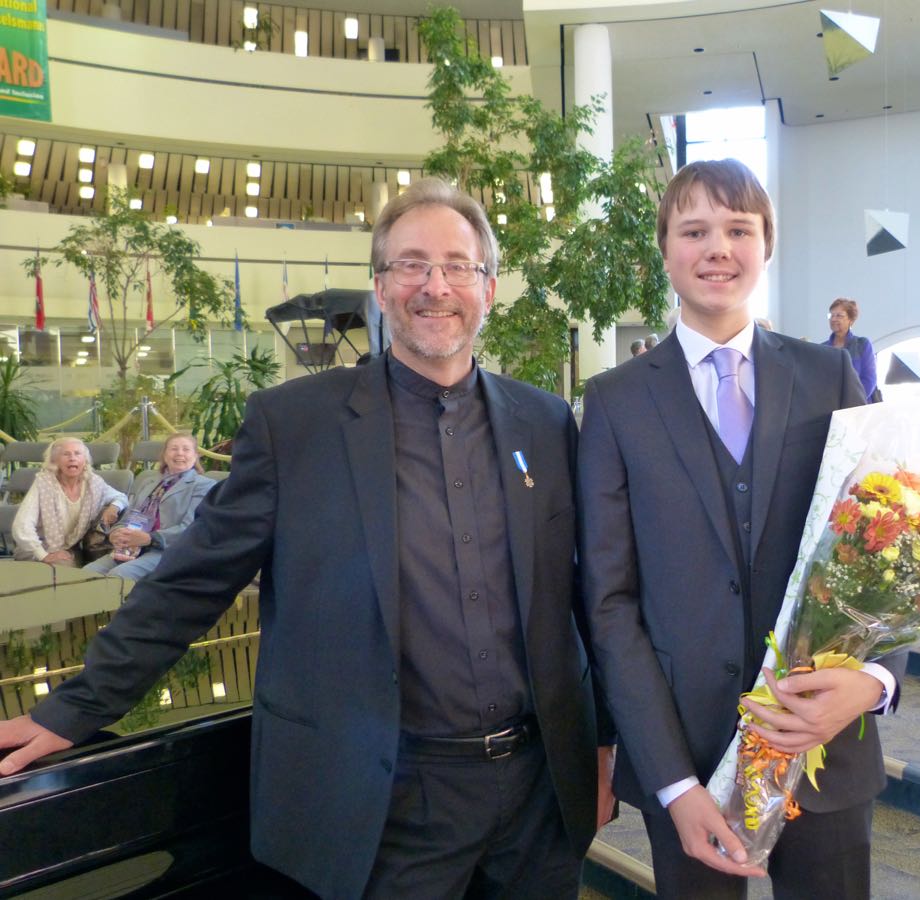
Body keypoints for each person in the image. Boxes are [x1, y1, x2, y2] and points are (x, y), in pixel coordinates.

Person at [0, 179, 609, 900]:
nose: (434, 286)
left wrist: (600, 747)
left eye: (456, 266)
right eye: (411, 265)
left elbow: (581, 595)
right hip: (387, 806)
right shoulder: (295, 426)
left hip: (538, 799)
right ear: (381, 287)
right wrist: (75, 706)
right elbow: (192, 583)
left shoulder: (543, 423)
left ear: (490, 285)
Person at [578, 159, 902, 900]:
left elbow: (894, 546)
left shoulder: (829, 377)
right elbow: (608, 601)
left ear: (766, 245)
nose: (716, 247)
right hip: (685, 756)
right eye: (694, 230)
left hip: (823, 740)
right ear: (665, 249)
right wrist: (669, 779)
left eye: (737, 229)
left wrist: (876, 681)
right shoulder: (616, 402)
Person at [82, 433, 216, 581]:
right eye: (174, 449)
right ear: (164, 455)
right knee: (86, 574)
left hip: (169, 550)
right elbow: (128, 517)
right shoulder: (149, 482)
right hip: (132, 547)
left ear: (195, 455)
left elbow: (192, 528)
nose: (179, 453)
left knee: (119, 577)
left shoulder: (204, 485)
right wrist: (116, 532)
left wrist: (150, 538)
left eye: (186, 449)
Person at [11, 437, 126, 566]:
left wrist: (114, 507)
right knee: (64, 569)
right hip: (35, 548)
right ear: (55, 460)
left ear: (85, 460)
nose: (72, 458)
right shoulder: (44, 483)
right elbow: (21, 525)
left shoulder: (94, 483)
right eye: (66, 454)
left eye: (77, 453)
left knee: (94, 568)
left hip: (69, 547)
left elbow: (121, 497)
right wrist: (43, 555)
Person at [821, 297, 879, 401]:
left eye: (839, 315)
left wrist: (853, 402)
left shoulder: (862, 345)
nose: (833, 319)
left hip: (857, 408)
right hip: (830, 407)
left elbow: (869, 379)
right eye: (831, 315)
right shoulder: (822, 348)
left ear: (850, 321)